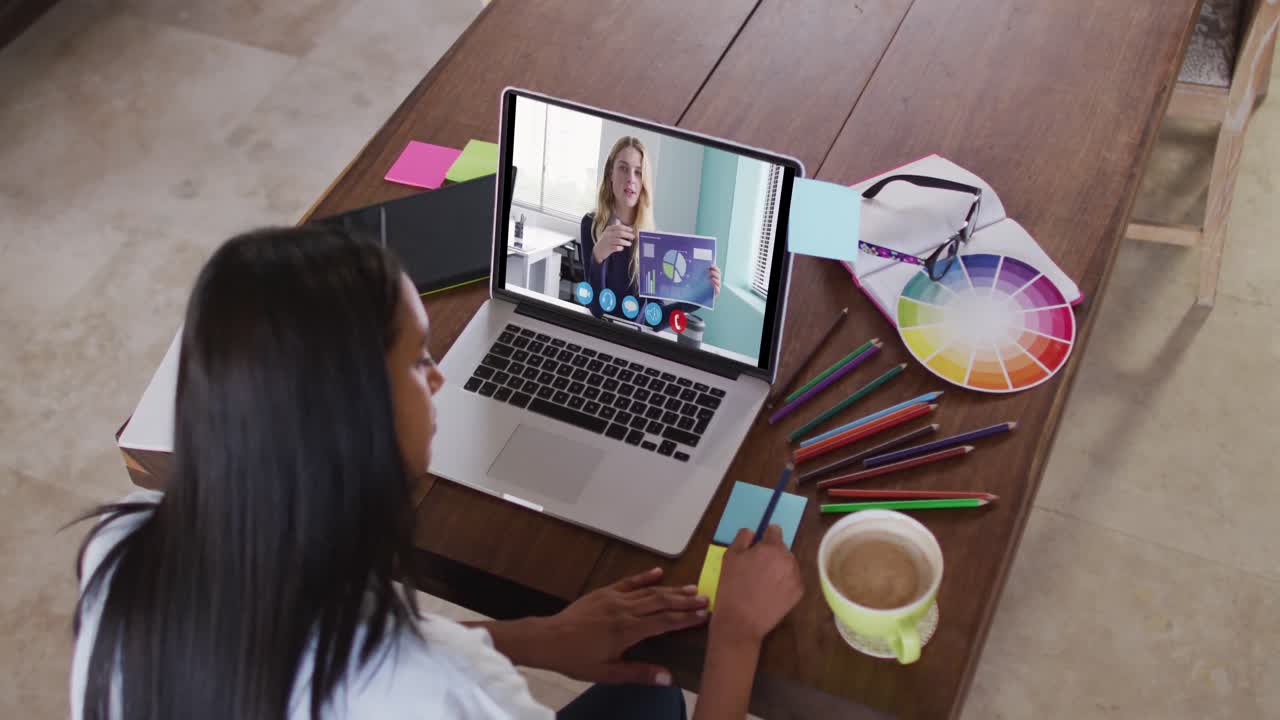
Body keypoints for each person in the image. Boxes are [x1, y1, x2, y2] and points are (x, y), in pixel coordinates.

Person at [70, 226, 803, 720]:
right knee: (660, 697)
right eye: (420, 361)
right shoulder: (441, 693)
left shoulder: (122, 553)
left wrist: (535, 638)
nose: (441, 379)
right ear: (357, 422)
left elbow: (321, 648)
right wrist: (735, 634)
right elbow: (415, 674)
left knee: (645, 700)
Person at [580, 136, 720, 323]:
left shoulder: (652, 240)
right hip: (600, 334)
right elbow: (596, 310)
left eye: (638, 172)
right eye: (623, 168)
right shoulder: (591, 225)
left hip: (635, 341)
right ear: (610, 174)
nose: (630, 178)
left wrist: (697, 299)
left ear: (644, 182)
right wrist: (598, 256)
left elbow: (656, 319)